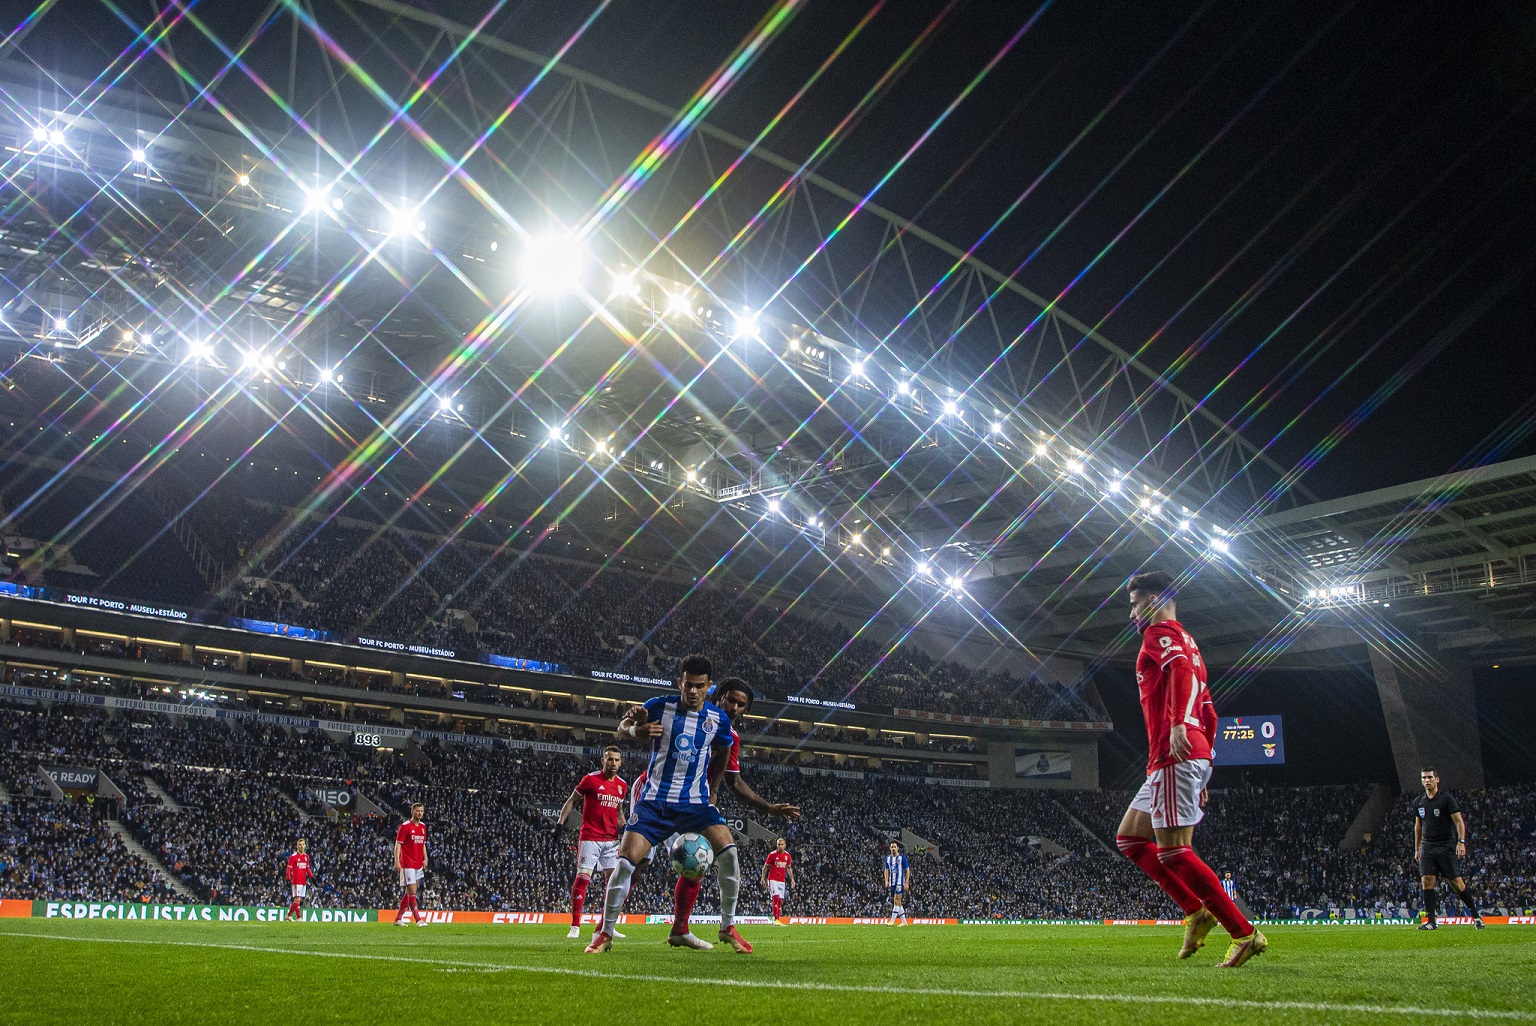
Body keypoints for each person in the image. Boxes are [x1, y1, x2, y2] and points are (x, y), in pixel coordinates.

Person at [1113, 570, 1266, 968]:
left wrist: (1179, 723)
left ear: (1153, 600)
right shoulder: (1189, 642)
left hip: (1173, 752)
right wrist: (1205, 763)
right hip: (1187, 753)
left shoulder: (1159, 633)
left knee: (1174, 851)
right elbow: (1210, 710)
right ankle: (1196, 911)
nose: (1132, 614)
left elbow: (1179, 673)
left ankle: (1243, 932)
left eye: (1134, 604)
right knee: (1130, 839)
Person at [585, 654, 748, 954]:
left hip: (695, 805)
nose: (693, 691)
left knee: (729, 853)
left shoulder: (718, 719)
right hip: (655, 802)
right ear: (680, 683)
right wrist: (635, 731)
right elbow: (622, 726)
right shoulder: (659, 706)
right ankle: (605, 933)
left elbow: (725, 749)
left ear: (709, 687)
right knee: (626, 863)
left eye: (700, 686)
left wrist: (713, 788)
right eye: (688, 685)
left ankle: (727, 926)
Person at [667, 678, 800, 948]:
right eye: (731, 701)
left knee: (722, 854)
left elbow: (735, 782)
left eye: (741, 705)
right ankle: (603, 929)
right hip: (660, 795)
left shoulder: (731, 737)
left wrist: (768, 807)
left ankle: (721, 927)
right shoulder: (689, 715)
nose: (735, 708)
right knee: (634, 863)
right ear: (718, 696)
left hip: (696, 803)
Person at [556, 746, 628, 939]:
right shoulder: (590, 779)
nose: (613, 763)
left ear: (621, 763)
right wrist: (560, 823)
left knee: (613, 884)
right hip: (590, 837)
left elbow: (619, 812)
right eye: (610, 759)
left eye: (616, 760)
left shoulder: (622, 785)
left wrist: (625, 825)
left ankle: (606, 926)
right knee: (583, 878)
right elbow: (572, 800)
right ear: (603, 761)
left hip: (611, 840)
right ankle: (575, 926)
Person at [1414, 768, 1485, 930]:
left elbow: (1459, 821)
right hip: (1428, 846)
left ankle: (1476, 916)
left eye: (1430, 777)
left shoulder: (1446, 799)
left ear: (1437, 779)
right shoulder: (1419, 802)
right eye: (1424, 778)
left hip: (1446, 845)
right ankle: (1431, 921)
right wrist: (1417, 848)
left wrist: (1461, 842)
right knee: (1427, 881)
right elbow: (1418, 826)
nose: (1427, 780)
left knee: (1456, 883)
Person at [394, 802, 428, 927]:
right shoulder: (405, 826)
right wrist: (397, 861)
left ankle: (398, 919)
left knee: (409, 892)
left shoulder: (423, 827)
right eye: (417, 811)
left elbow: (423, 844)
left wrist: (425, 858)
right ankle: (418, 920)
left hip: (418, 863)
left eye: (421, 811)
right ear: (412, 812)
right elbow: (398, 844)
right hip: (408, 863)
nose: (419, 813)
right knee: (412, 892)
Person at [762, 837, 795, 923]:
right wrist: (763, 878)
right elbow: (766, 867)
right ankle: (776, 920)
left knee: (780, 901)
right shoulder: (772, 854)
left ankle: (777, 918)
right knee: (775, 898)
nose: (780, 846)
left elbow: (789, 868)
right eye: (778, 844)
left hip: (782, 881)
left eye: (782, 844)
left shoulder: (787, 856)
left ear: (785, 845)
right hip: (773, 879)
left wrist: (792, 879)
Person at [285, 839, 312, 921]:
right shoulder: (293, 856)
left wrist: (312, 876)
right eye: (300, 844)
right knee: (298, 899)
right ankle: (297, 917)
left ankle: (291, 916)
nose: (301, 846)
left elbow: (307, 868)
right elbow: (288, 868)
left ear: (305, 846)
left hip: (303, 881)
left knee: (298, 900)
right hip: (296, 881)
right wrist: (288, 877)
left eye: (303, 844)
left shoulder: (306, 856)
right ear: (297, 846)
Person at [884, 841, 910, 926]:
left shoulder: (902, 858)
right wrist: (886, 881)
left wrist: (906, 883)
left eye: (895, 847)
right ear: (890, 848)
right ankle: (904, 922)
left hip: (899, 882)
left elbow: (907, 870)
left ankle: (892, 921)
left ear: (898, 848)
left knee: (896, 900)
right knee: (898, 902)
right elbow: (886, 870)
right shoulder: (888, 858)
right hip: (892, 883)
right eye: (892, 847)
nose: (893, 848)